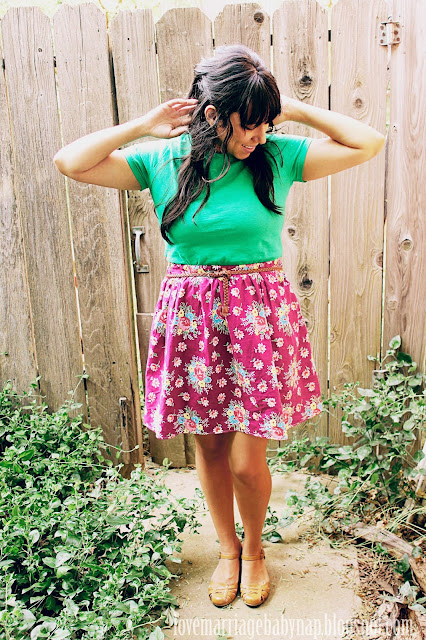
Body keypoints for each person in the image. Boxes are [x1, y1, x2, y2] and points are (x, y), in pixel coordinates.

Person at [53, 44, 385, 608]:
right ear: (213, 115)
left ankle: (255, 550)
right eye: (248, 124)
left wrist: (295, 110)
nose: (259, 135)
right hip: (193, 321)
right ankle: (227, 550)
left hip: (258, 317)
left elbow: (368, 143)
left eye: (266, 123)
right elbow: (70, 161)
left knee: (247, 459)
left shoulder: (277, 157)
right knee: (208, 449)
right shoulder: (164, 161)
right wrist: (142, 126)